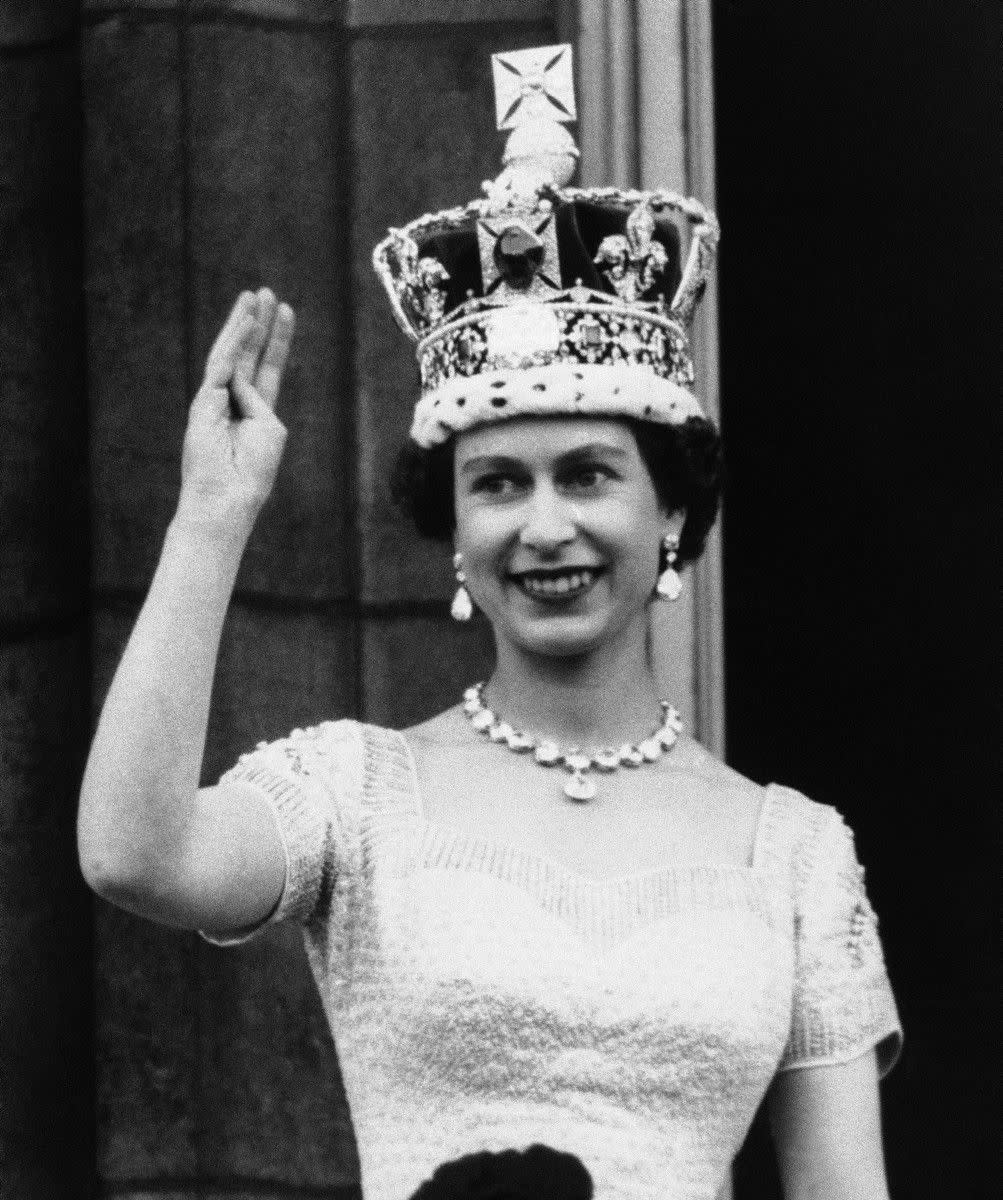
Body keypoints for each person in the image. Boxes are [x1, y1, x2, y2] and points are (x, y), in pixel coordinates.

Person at [77, 44, 902, 1200]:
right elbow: (133, 853)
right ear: (455, 532)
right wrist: (214, 515)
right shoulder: (355, 795)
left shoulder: (796, 856)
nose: (544, 526)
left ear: (669, 506)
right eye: (498, 485)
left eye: (587, 474)